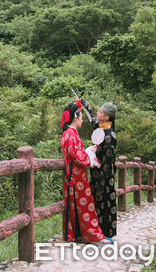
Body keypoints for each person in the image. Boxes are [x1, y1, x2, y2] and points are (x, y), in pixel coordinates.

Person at [61, 102, 113, 244]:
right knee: (86, 207)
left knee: (78, 206)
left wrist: (88, 152)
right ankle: (94, 235)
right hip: (75, 176)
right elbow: (75, 155)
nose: (83, 121)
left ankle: (77, 234)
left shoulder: (70, 134)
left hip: (76, 175)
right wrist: (89, 153)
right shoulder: (70, 135)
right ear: (75, 118)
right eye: (81, 118)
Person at [89, 102, 117, 238]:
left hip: (104, 174)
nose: (97, 113)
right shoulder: (100, 127)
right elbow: (91, 117)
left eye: (100, 112)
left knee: (105, 202)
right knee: (96, 202)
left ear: (107, 117)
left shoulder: (109, 135)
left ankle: (106, 233)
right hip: (96, 172)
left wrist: (102, 180)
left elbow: (108, 160)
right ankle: (96, 231)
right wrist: (83, 104)